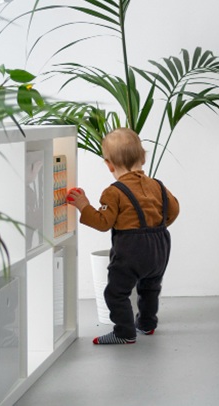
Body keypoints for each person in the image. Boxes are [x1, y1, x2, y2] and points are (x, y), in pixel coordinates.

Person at [68, 128, 180, 345]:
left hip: (131, 249)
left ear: (109, 164)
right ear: (144, 157)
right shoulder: (158, 186)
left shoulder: (114, 192)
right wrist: (156, 227)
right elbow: (174, 210)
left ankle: (124, 332)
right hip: (160, 246)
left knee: (116, 292)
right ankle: (147, 325)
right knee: (150, 288)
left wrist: (84, 206)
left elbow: (103, 223)